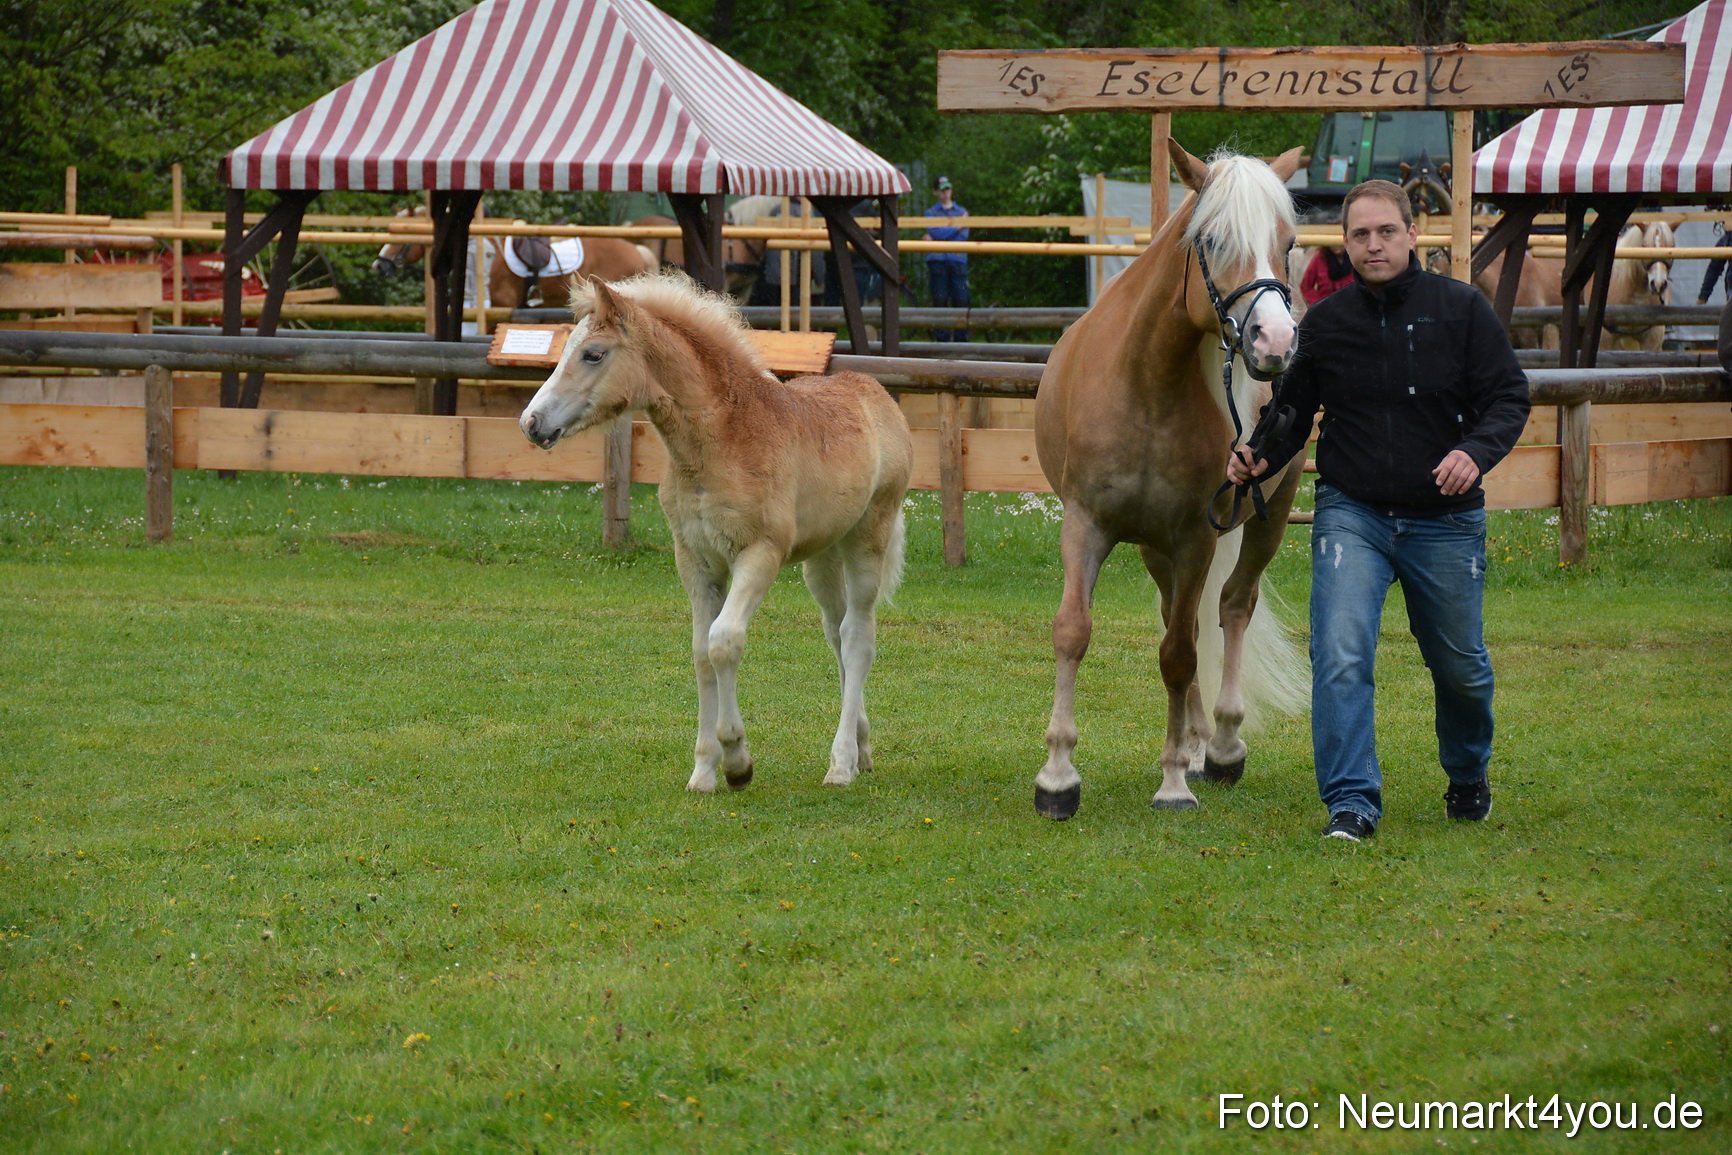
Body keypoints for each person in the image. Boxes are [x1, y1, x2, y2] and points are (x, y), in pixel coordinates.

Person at [1226, 179, 1531, 843]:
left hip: (1444, 518)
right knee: (1339, 653)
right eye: (1360, 234)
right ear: (1345, 242)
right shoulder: (1325, 324)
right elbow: (1292, 412)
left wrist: (1474, 452)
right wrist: (1257, 454)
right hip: (1352, 514)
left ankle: (1467, 771)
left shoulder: (1462, 310)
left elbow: (1509, 397)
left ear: (1412, 234)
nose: (1373, 245)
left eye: (1386, 231)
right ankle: (1351, 801)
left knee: (1460, 665)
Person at [924, 176, 970, 341]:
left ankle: (961, 341)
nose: (945, 193)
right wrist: (958, 226)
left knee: (961, 300)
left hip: (958, 260)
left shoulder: (962, 212)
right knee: (940, 300)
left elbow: (963, 237)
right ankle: (941, 342)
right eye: (942, 189)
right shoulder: (930, 213)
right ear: (935, 192)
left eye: (948, 189)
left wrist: (939, 235)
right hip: (938, 261)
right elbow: (935, 232)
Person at [1695, 220, 1730, 305]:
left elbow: (1714, 268)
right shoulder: (1727, 239)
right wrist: (1703, 297)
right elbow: (1714, 268)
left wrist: (1702, 297)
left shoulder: (1727, 239)